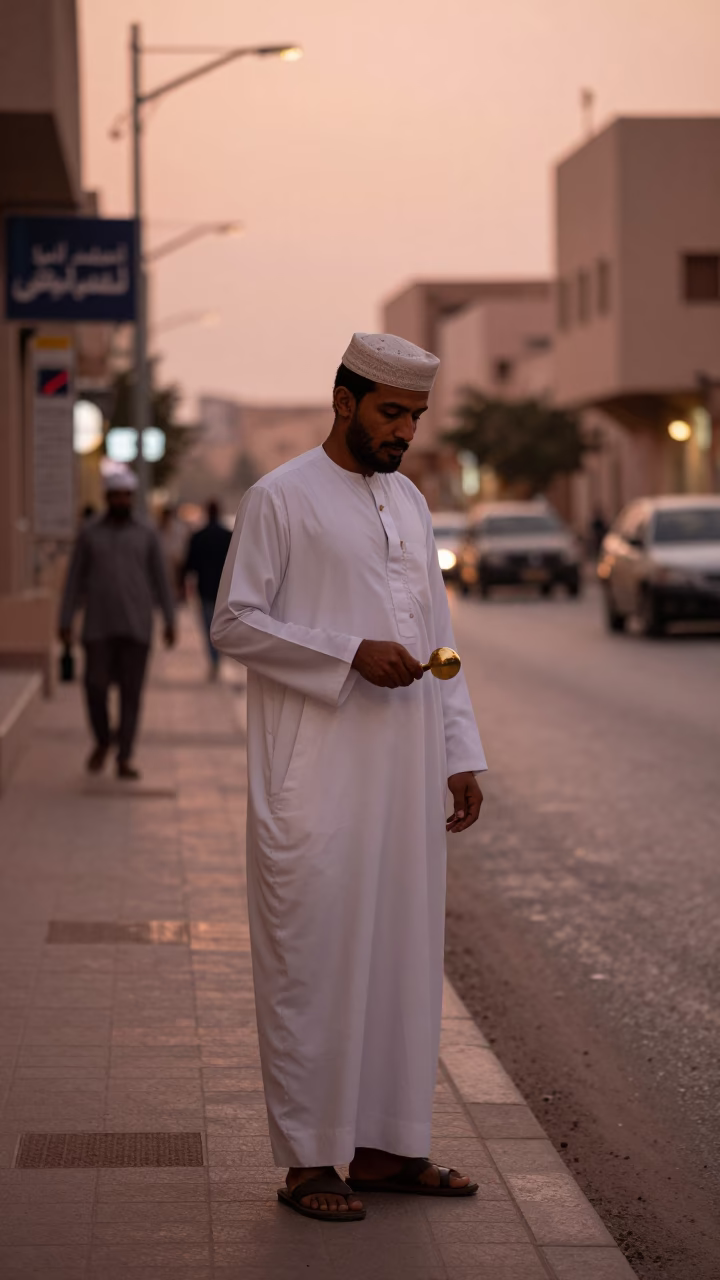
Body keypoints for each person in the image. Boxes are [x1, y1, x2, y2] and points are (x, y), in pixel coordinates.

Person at [212, 333, 487, 1222]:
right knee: (317, 960)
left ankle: (386, 1149)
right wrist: (346, 652)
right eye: (390, 413)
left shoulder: (409, 502)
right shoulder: (280, 497)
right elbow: (234, 623)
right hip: (316, 774)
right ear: (345, 402)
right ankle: (309, 1163)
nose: (404, 432)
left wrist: (460, 753)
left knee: (401, 958)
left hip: (405, 773)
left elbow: (441, 635)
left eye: (414, 417)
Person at [59, 469, 176, 780]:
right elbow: (73, 580)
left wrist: (170, 619)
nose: (122, 500)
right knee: (94, 687)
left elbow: (162, 580)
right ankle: (103, 739)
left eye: (127, 495)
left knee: (131, 694)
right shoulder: (89, 533)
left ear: (132, 498)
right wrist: (65, 618)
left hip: (137, 628)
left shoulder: (147, 533)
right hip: (98, 627)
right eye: (116, 495)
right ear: (107, 498)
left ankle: (124, 756)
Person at [181, 500, 232, 679]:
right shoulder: (228, 536)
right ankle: (218, 657)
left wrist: (182, 586)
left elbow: (189, 564)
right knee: (223, 625)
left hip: (204, 588)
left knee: (208, 626)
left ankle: (214, 659)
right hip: (224, 590)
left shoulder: (199, 536)